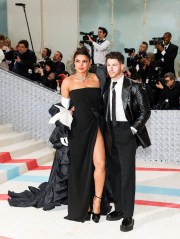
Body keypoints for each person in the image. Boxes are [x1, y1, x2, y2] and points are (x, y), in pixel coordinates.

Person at [103, 52, 151, 232]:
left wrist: (132, 130)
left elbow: (145, 112)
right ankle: (119, 208)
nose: (111, 68)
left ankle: (128, 216)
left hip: (126, 132)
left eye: (114, 65)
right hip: (109, 133)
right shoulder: (107, 86)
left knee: (126, 175)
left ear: (122, 66)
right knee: (114, 173)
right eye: (108, 65)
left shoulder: (134, 87)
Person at [61, 47, 106, 222]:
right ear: (74, 63)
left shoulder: (97, 79)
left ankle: (97, 202)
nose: (81, 65)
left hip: (95, 125)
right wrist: (68, 116)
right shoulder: (67, 82)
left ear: (90, 63)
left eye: (85, 61)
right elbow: (64, 110)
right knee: (80, 167)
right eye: (78, 61)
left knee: (100, 164)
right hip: (77, 128)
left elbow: (104, 103)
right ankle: (83, 203)